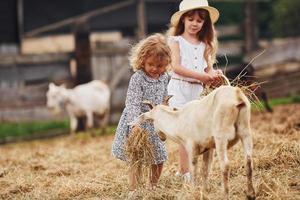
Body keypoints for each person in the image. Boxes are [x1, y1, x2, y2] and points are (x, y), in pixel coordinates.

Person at [166, 0, 222, 180]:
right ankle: (185, 172)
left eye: (199, 20)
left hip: (198, 92)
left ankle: (190, 170)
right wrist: (202, 76)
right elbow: (176, 67)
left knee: (199, 131)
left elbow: (208, 69)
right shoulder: (176, 41)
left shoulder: (205, 44)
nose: (194, 23)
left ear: (205, 23)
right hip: (180, 89)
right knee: (185, 132)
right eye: (190, 19)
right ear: (183, 20)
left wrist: (214, 74)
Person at [111, 33, 172, 193]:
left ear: (166, 64)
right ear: (142, 60)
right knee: (136, 158)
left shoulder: (165, 77)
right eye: (150, 64)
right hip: (138, 123)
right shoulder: (138, 78)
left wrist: (166, 107)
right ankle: (134, 190)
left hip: (155, 124)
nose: (154, 69)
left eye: (159, 66)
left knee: (159, 157)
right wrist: (135, 124)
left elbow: (164, 97)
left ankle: (153, 187)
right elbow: (132, 102)